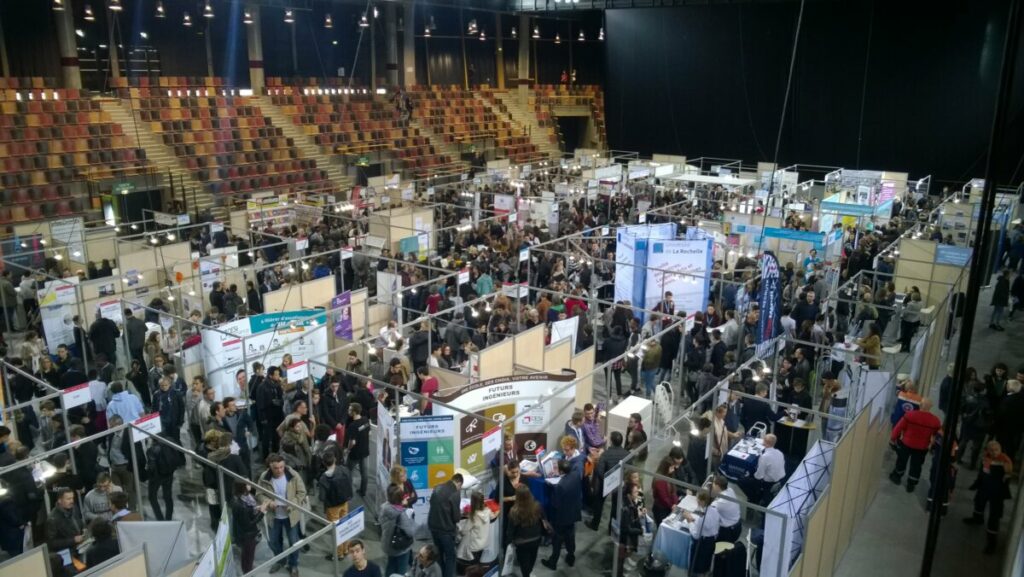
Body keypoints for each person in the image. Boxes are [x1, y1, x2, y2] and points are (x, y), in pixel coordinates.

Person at [258, 454, 307, 577]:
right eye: (276, 468)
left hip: (291, 516)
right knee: (273, 541)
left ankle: (293, 564)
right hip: (273, 516)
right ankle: (280, 560)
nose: (279, 470)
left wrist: (291, 504)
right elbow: (259, 494)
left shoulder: (293, 475)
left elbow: (302, 492)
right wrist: (269, 502)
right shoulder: (264, 477)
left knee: (293, 542)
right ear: (270, 467)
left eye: (281, 467)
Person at [963, 441, 1014, 554]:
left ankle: (992, 543)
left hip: (997, 492)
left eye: (996, 449)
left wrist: (1003, 489)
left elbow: (1007, 477)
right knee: (979, 503)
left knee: (994, 515)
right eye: (991, 450)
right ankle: (977, 518)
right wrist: (977, 483)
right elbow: (982, 472)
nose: (994, 452)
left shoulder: (1005, 460)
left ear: (1000, 450)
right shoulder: (986, 458)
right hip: (984, 487)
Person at [890, 398, 942, 492]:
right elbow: (937, 435)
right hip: (922, 447)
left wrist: (893, 438)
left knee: (901, 461)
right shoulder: (935, 421)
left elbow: (899, 427)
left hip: (906, 443)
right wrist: (933, 446)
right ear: (930, 407)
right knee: (917, 465)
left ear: (920, 405)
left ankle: (897, 477)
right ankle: (911, 484)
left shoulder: (910, 415)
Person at [542, 460, 582, 570]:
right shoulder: (576, 474)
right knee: (570, 536)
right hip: (573, 513)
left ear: (561, 471)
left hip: (561, 517)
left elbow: (555, 503)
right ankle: (571, 557)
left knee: (557, 540)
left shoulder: (560, 486)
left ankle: (553, 562)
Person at [588, 430, 628, 530]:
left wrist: (608, 479)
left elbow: (599, 470)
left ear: (611, 441)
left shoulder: (606, 454)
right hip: (620, 483)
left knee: (599, 503)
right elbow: (629, 470)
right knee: (615, 506)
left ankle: (595, 524)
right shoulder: (627, 454)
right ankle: (612, 529)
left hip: (605, 482)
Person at [318, 452, 354, 561]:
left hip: (332, 506)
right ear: (334, 459)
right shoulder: (344, 469)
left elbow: (322, 497)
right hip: (344, 502)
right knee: (345, 526)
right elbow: (350, 481)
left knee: (336, 531)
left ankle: (339, 554)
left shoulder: (324, 478)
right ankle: (346, 549)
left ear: (324, 463)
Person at [427, 473, 463, 577]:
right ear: (459, 483)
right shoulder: (455, 493)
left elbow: (432, 503)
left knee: (439, 554)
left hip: (433, 527)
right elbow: (456, 518)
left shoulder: (438, 487)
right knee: (450, 556)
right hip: (446, 530)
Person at [507, 485, 546, 577]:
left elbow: (510, 530)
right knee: (533, 557)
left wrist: (509, 542)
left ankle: (526, 574)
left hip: (522, 542)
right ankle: (529, 572)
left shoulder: (514, 511)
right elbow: (544, 519)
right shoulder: (537, 505)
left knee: (523, 562)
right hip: (536, 538)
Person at [680, 489, 719, 577]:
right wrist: (694, 520)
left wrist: (689, 520)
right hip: (711, 541)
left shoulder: (703, 518)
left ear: (702, 501)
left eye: (697, 499)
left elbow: (695, 535)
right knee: (706, 563)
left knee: (696, 566)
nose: (696, 500)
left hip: (701, 544)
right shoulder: (715, 511)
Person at [231, 482, 268, 574]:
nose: (250, 485)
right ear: (242, 487)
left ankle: (247, 569)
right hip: (248, 535)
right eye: (247, 483)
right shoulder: (241, 505)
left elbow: (246, 512)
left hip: (242, 534)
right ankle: (247, 572)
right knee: (248, 555)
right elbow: (249, 525)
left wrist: (255, 509)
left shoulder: (239, 499)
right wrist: (262, 512)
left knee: (246, 555)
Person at [146, 432, 183, 521]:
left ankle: (160, 519)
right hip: (169, 474)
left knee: (152, 497)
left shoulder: (152, 450)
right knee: (168, 496)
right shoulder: (171, 441)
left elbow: (152, 467)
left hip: (157, 477)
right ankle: (168, 518)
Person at [380, 485, 416, 576]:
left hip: (388, 544)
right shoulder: (401, 514)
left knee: (391, 566)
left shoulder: (384, 507)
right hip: (400, 548)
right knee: (401, 571)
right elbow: (410, 532)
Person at [456, 491, 493, 565]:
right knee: (477, 563)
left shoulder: (473, 517)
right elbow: (492, 516)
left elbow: (464, 532)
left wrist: (458, 528)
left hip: (474, 546)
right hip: (484, 543)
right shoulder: (488, 511)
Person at [46, 489, 84, 555]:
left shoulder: (74, 508)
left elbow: (79, 521)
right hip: (67, 551)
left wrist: (84, 528)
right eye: (68, 499)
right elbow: (52, 543)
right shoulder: (52, 519)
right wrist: (73, 540)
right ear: (59, 500)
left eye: (72, 498)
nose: (72, 501)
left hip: (81, 545)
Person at [345, 402, 371, 497]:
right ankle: (363, 491)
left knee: (348, 471)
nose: (348, 411)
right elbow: (369, 433)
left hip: (355, 453)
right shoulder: (365, 420)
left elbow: (352, 442)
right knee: (364, 473)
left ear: (354, 412)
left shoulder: (353, 426)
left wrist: (347, 450)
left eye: (350, 410)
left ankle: (348, 492)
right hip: (365, 451)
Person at [710, 475, 742, 543]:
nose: (712, 486)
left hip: (729, 531)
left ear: (717, 486)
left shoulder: (722, 502)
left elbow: (707, 507)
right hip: (737, 525)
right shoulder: (730, 490)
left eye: (713, 484)